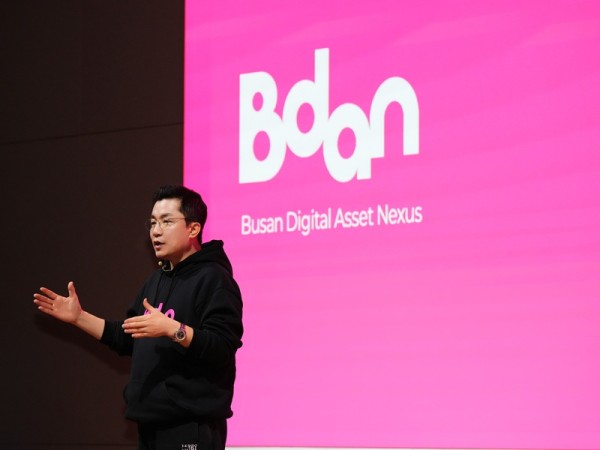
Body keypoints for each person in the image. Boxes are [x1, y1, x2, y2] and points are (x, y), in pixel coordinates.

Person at [33, 185, 243, 450]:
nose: (156, 231)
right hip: (150, 424)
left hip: (190, 426)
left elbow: (222, 347)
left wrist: (173, 329)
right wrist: (79, 317)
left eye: (166, 222)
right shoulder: (155, 281)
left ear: (193, 229)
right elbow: (127, 338)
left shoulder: (215, 279)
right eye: (153, 223)